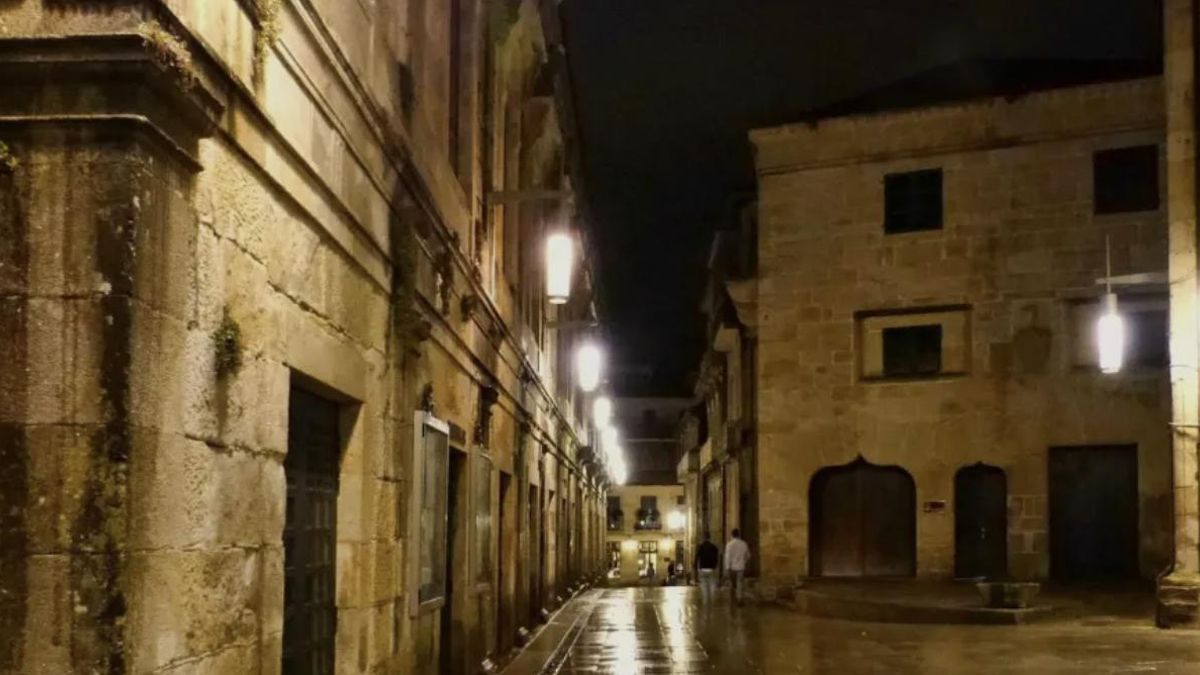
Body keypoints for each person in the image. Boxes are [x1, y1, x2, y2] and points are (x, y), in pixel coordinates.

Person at [723, 528, 751, 606]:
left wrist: (727, 568)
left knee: (732, 583)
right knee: (740, 583)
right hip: (741, 566)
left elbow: (727, 557)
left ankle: (732, 599)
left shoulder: (729, 544)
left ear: (732, 535)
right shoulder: (744, 544)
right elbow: (748, 555)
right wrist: (744, 561)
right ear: (739, 535)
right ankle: (739, 598)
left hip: (732, 567)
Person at [694, 533, 720, 604]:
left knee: (704, 585)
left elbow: (696, 558)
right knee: (712, 584)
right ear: (710, 538)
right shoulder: (714, 547)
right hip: (711, 568)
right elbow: (717, 558)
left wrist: (695, 567)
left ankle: (705, 600)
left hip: (702, 568)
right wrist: (715, 566)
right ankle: (712, 599)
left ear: (703, 538)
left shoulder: (700, 547)